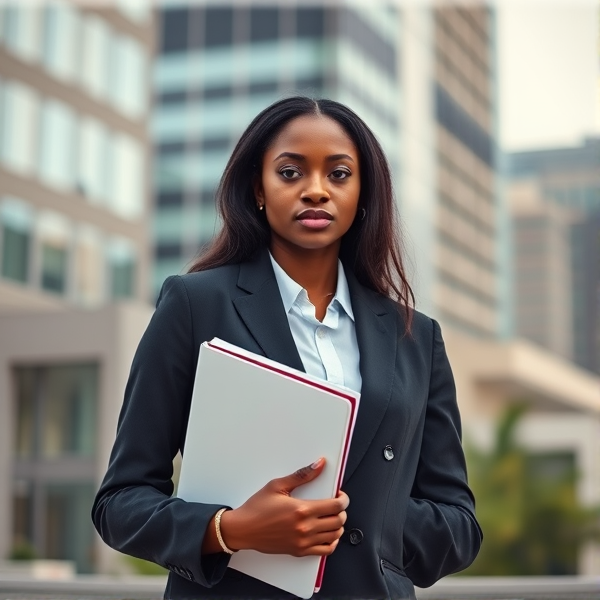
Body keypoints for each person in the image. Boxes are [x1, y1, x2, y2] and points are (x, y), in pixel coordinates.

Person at [92, 96, 482, 600]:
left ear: (363, 193)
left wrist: (359, 521)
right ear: (258, 187)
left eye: (339, 174)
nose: (316, 190)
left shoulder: (416, 336)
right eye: (290, 172)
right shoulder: (194, 305)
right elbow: (120, 503)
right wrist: (229, 530)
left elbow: (460, 527)